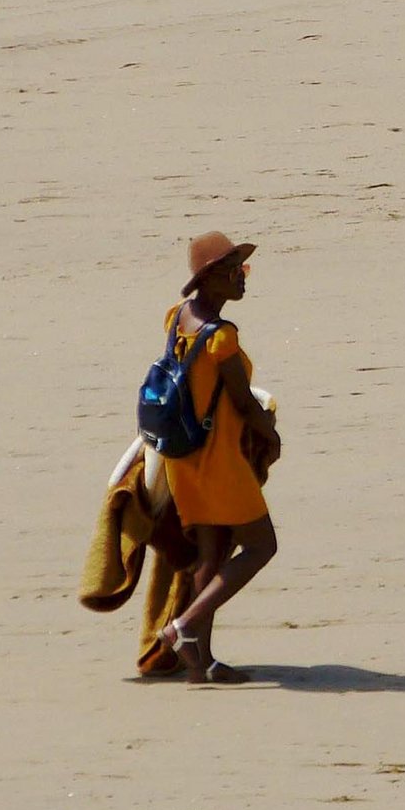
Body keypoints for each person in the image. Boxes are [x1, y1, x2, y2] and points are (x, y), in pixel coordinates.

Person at [156, 232, 282, 682]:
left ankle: (199, 662)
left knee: (210, 556)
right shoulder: (221, 337)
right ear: (210, 279)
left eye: (243, 269)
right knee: (262, 545)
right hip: (217, 459)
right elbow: (244, 403)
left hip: (181, 456)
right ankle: (184, 626)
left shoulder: (177, 319)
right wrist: (271, 436)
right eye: (234, 271)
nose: (242, 278)